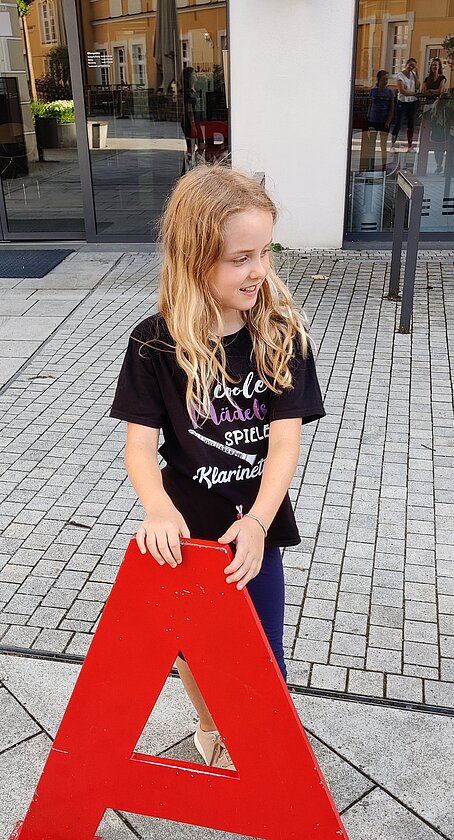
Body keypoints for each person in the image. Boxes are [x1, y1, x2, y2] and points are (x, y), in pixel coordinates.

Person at [110, 165, 325, 770]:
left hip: (255, 533)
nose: (259, 270)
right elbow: (139, 447)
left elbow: (284, 445)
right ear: (194, 259)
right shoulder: (154, 345)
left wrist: (258, 522)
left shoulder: (282, 336)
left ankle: (263, 751)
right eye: (240, 258)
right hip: (185, 535)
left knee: (265, 657)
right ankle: (210, 724)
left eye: (265, 253)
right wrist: (157, 508)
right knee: (190, 651)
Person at [423, 59, 448, 174]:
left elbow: (440, 91)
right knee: (428, 135)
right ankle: (426, 162)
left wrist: (431, 91)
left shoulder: (442, 78)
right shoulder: (427, 79)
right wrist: (433, 91)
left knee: (438, 135)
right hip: (428, 107)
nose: (434, 66)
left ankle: (439, 164)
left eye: (436, 65)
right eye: (432, 64)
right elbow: (424, 91)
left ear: (439, 67)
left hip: (437, 108)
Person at [367, 70, 395, 169]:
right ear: (379, 80)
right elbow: (370, 105)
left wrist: (388, 121)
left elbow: (391, 109)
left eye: (387, 80)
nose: (385, 82)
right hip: (373, 120)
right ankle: (370, 166)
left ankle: (384, 166)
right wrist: (368, 116)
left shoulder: (390, 92)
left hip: (384, 122)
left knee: (383, 145)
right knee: (371, 145)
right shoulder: (373, 91)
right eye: (384, 79)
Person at [392, 57, 419, 149]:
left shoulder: (413, 74)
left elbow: (417, 86)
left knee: (411, 124)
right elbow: (402, 91)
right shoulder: (400, 75)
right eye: (410, 65)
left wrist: (417, 73)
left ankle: (410, 144)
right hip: (402, 102)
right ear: (406, 64)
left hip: (412, 101)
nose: (411, 68)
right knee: (398, 123)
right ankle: (393, 142)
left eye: (413, 66)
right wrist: (414, 94)